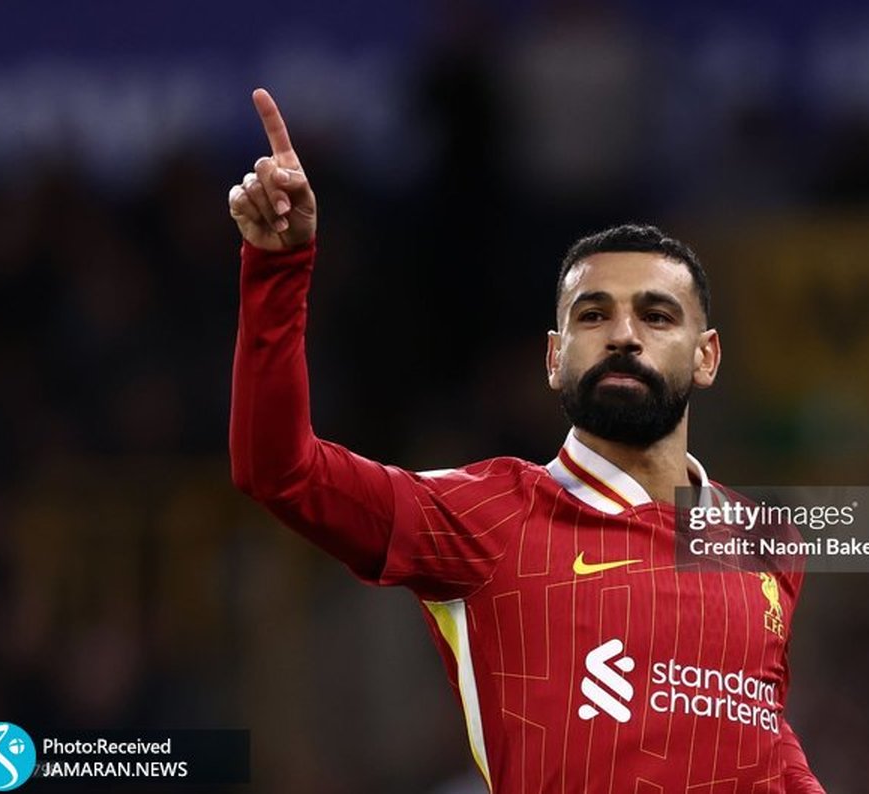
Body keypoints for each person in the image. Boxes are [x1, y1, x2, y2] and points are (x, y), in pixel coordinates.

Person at [229, 87, 825, 793]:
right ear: (553, 358)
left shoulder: (766, 542)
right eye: (593, 315)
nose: (624, 335)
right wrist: (279, 270)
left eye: (657, 316)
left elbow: (762, 737)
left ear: (707, 356)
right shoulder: (486, 516)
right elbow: (281, 470)